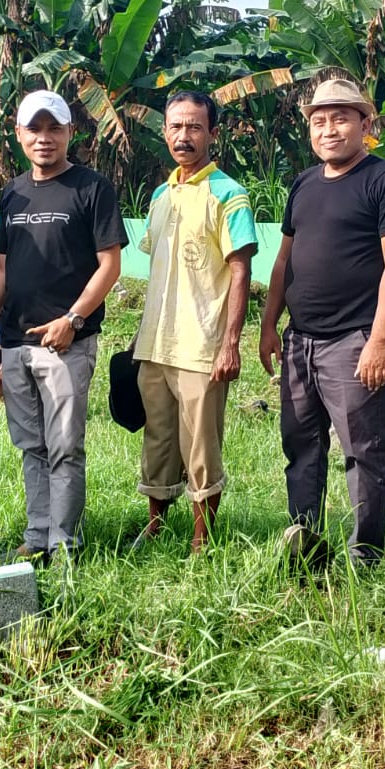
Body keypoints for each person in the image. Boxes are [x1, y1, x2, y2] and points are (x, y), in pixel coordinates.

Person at [259, 77, 385, 566]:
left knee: (363, 450)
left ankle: (364, 552)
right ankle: (304, 541)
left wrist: (379, 340)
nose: (329, 129)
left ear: (365, 124)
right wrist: (269, 324)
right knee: (301, 446)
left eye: (341, 118)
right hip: (300, 341)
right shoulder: (305, 183)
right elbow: (285, 260)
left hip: (353, 340)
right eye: (319, 120)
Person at [0, 90, 126, 563]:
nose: (44, 138)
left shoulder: (91, 188)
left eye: (53, 129)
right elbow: (1, 267)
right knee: (31, 446)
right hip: (15, 343)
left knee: (64, 447)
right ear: (19, 135)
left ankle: (65, 544)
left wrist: (74, 319)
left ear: (69, 134)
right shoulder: (13, 192)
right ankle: (37, 537)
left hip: (66, 343)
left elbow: (109, 265)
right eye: (34, 129)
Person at [131, 91, 258, 553]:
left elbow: (241, 270)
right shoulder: (161, 193)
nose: (183, 136)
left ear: (212, 133)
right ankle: (157, 524)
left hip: (202, 344)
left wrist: (230, 343)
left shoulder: (228, 193)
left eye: (194, 127)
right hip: (155, 342)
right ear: (164, 132)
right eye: (175, 127)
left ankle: (202, 537)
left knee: (201, 446)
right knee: (158, 439)